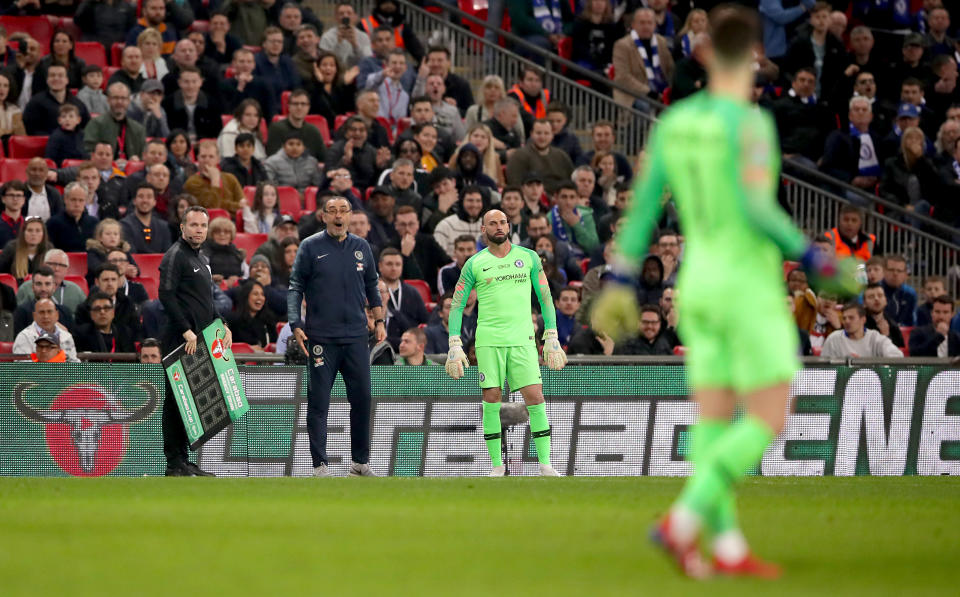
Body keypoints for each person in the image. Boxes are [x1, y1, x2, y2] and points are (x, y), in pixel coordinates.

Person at [591, 7, 859, 577]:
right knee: (768, 413)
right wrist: (813, 256)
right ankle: (682, 522)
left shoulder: (676, 123)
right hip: (744, 283)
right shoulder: (750, 124)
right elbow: (757, 206)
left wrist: (618, 278)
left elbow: (641, 210)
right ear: (756, 61)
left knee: (714, 422)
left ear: (706, 56)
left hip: (696, 285)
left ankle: (727, 548)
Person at [445, 207, 566, 476]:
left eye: (503, 222)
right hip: (489, 341)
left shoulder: (529, 257)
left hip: (523, 340)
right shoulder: (474, 263)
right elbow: (456, 304)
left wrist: (552, 334)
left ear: (509, 226)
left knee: (535, 397)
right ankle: (497, 467)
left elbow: (545, 297)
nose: (499, 226)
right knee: (491, 398)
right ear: (483, 229)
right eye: (493, 223)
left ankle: (545, 464)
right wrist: (455, 342)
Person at [287, 195, 384, 477]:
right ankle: (319, 465)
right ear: (323, 216)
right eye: (332, 211)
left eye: (343, 210)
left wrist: (378, 320)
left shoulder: (361, 247)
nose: (338, 215)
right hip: (321, 339)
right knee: (319, 402)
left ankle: (360, 463)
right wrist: (295, 322)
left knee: (363, 398)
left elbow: (372, 286)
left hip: (355, 336)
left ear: (351, 215)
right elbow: (295, 288)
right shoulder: (310, 247)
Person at [158, 205, 226, 477]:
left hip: (200, 339)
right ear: (182, 228)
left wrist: (222, 323)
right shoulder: (175, 255)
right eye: (194, 225)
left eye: (203, 225)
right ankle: (174, 462)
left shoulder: (203, 259)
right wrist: (185, 329)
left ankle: (183, 460)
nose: (199, 230)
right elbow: (166, 295)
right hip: (180, 338)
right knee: (176, 400)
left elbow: (206, 300)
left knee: (190, 400)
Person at [613, 8, 675, 107]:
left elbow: (670, 69)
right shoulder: (622, 45)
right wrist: (649, 92)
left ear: (655, 25)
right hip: (633, 94)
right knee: (643, 105)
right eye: (642, 23)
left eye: (649, 23)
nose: (646, 26)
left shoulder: (661, 42)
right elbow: (622, 77)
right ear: (633, 25)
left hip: (660, 89)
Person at [377, 247, 429, 349]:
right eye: (389, 264)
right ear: (380, 266)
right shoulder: (374, 291)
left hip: (410, 347)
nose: (394, 268)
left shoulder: (413, 292)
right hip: (382, 345)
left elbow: (425, 322)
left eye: (398, 264)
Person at [390, 205, 448, 292]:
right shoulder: (390, 246)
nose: (407, 229)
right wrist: (405, 255)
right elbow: (394, 277)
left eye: (411, 224)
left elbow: (447, 264)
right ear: (396, 226)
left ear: (417, 224)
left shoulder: (429, 241)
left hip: (432, 292)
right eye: (403, 224)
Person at [22, 64, 90, 135]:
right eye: (52, 75)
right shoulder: (35, 103)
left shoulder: (78, 104)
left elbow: (87, 128)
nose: (56, 78)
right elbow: (29, 130)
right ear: (47, 80)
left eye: (60, 75)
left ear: (67, 80)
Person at [505, 119, 574, 189]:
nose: (542, 137)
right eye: (538, 133)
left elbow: (571, 182)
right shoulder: (519, 156)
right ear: (531, 134)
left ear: (552, 135)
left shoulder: (562, 156)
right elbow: (515, 185)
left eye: (546, 133)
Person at [183, 140, 245, 216]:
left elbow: (243, 206)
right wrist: (215, 180)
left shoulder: (230, 178)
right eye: (203, 156)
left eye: (211, 157)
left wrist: (223, 204)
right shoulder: (192, 183)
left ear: (218, 159)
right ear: (198, 159)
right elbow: (211, 208)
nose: (206, 160)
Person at [14, 249, 86, 314]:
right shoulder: (26, 288)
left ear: (67, 269)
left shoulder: (76, 290)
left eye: (61, 265)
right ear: (44, 265)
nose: (57, 268)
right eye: (52, 264)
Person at [821, 302, 903, 358]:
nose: (847, 321)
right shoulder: (833, 339)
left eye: (851, 318)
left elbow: (897, 356)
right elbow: (823, 370)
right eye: (844, 318)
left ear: (863, 320)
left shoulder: (875, 338)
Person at [162, 66, 222, 142]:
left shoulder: (211, 104)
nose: (190, 86)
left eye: (194, 81)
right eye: (186, 82)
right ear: (179, 83)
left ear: (201, 82)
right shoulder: (168, 104)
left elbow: (217, 133)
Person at [265, 88, 327, 160]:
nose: (299, 107)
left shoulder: (313, 131)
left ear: (308, 107)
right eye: (295, 104)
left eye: (303, 104)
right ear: (289, 106)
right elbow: (272, 159)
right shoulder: (276, 129)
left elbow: (325, 158)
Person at [12, 297, 78, 361]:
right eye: (41, 312)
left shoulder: (67, 336)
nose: (46, 316)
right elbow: (23, 368)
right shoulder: (24, 337)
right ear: (34, 316)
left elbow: (74, 363)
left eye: (49, 312)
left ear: (57, 315)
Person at [74, 290, 137, 354]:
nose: (102, 312)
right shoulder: (82, 335)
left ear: (113, 312)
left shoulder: (125, 333)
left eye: (106, 308)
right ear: (91, 314)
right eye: (97, 309)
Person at [255, 26, 303, 108]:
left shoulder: (288, 62)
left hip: (288, 106)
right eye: (272, 41)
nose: (276, 44)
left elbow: (296, 85)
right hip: (264, 107)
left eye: (279, 42)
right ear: (264, 44)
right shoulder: (255, 62)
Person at [46, 182, 98, 252]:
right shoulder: (53, 224)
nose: (77, 204)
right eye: (73, 200)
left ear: (85, 201)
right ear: (65, 199)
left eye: (81, 200)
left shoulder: (94, 223)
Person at [121, 183, 173, 254]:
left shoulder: (163, 226)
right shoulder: (124, 225)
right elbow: (130, 254)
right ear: (134, 201)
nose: (145, 200)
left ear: (155, 202)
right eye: (141, 196)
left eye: (149, 197)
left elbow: (168, 255)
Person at [318, 2, 372, 69]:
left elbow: (368, 61)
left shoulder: (364, 37)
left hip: (358, 74)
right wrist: (339, 44)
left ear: (355, 16)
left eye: (349, 13)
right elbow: (325, 63)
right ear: (336, 17)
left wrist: (355, 45)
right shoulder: (327, 37)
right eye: (341, 13)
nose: (345, 16)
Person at [227, 279, 277, 350]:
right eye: (255, 294)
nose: (260, 298)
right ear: (246, 296)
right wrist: (248, 349)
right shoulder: (233, 320)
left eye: (262, 294)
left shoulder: (269, 320)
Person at [0, 215, 50, 282]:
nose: (33, 234)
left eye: (38, 231)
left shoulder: (49, 249)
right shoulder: (11, 249)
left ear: (43, 234)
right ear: (23, 232)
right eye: (30, 230)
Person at [203, 216, 247, 287]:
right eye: (217, 232)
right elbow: (200, 276)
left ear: (231, 235)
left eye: (226, 232)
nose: (222, 234)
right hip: (213, 289)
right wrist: (213, 278)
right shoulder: (205, 253)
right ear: (212, 235)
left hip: (237, 288)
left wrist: (239, 280)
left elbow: (247, 276)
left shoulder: (239, 254)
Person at [862, 282, 904, 347]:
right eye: (871, 297)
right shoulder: (859, 325)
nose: (876, 299)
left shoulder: (892, 325)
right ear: (864, 303)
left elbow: (900, 351)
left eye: (880, 295)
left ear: (885, 301)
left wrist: (887, 336)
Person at [881, 254, 917, 326]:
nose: (895, 274)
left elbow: (912, 322)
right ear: (884, 271)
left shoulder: (910, 293)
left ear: (905, 274)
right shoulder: (874, 291)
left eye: (899, 271)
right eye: (891, 270)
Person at [24, 158, 63, 222]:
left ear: (46, 173)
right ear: (27, 172)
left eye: (41, 170)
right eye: (33, 170)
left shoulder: (54, 194)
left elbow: (60, 219)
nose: (37, 173)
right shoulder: (19, 192)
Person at [0, 71, 25, 138]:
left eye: (6, 86)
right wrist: (10, 132)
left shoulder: (14, 109)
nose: (2, 89)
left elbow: (21, 135)